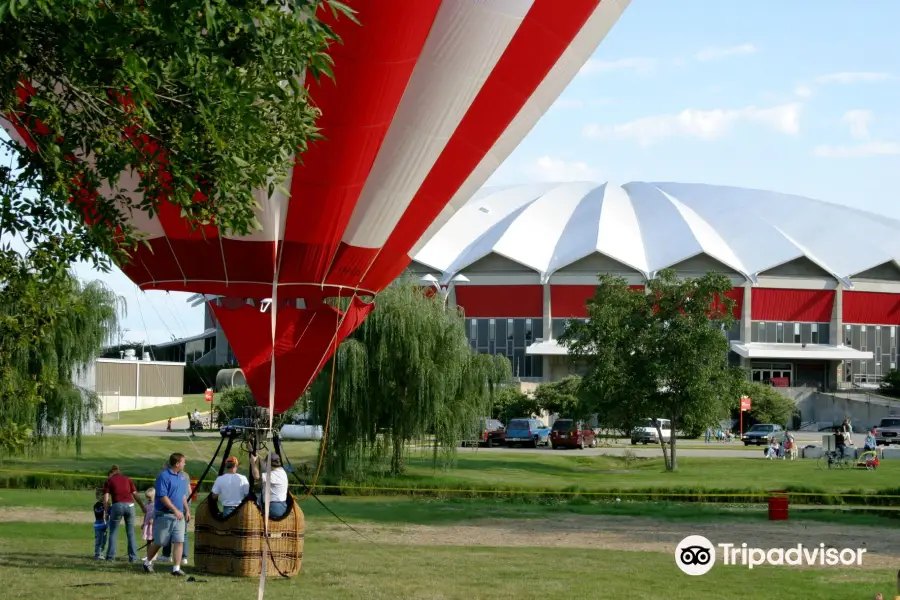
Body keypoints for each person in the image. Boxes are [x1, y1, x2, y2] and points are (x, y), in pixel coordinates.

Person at [142, 453, 191, 576]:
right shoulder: (163, 476)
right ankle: (147, 562)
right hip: (164, 515)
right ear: (177, 463)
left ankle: (176, 568)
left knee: (179, 541)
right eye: (183, 462)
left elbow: (183, 496)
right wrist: (175, 510)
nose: (185, 464)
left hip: (179, 515)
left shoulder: (182, 477)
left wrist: (187, 510)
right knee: (160, 542)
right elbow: (163, 496)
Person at [103, 465, 147, 563]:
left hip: (117, 506)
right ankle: (133, 557)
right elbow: (135, 495)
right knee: (131, 532)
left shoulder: (109, 481)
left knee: (113, 532)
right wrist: (142, 507)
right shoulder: (127, 479)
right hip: (130, 506)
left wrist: (106, 512)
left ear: (111, 473)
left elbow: (106, 499)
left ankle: (110, 556)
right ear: (118, 471)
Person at [249, 451, 289, 518]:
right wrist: (254, 451)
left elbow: (256, 476)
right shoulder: (281, 471)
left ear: (268, 464)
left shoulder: (274, 475)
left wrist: (253, 463)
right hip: (278, 506)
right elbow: (264, 463)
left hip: (274, 507)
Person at [93, 488, 108, 560]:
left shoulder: (106, 505)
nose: (104, 496)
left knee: (104, 540)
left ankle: (101, 553)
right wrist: (105, 509)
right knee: (99, 540)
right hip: (99, 524)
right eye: (102, 495)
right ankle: (97, 554)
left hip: (104, 525)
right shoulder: (97, 505)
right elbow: (98, 512)